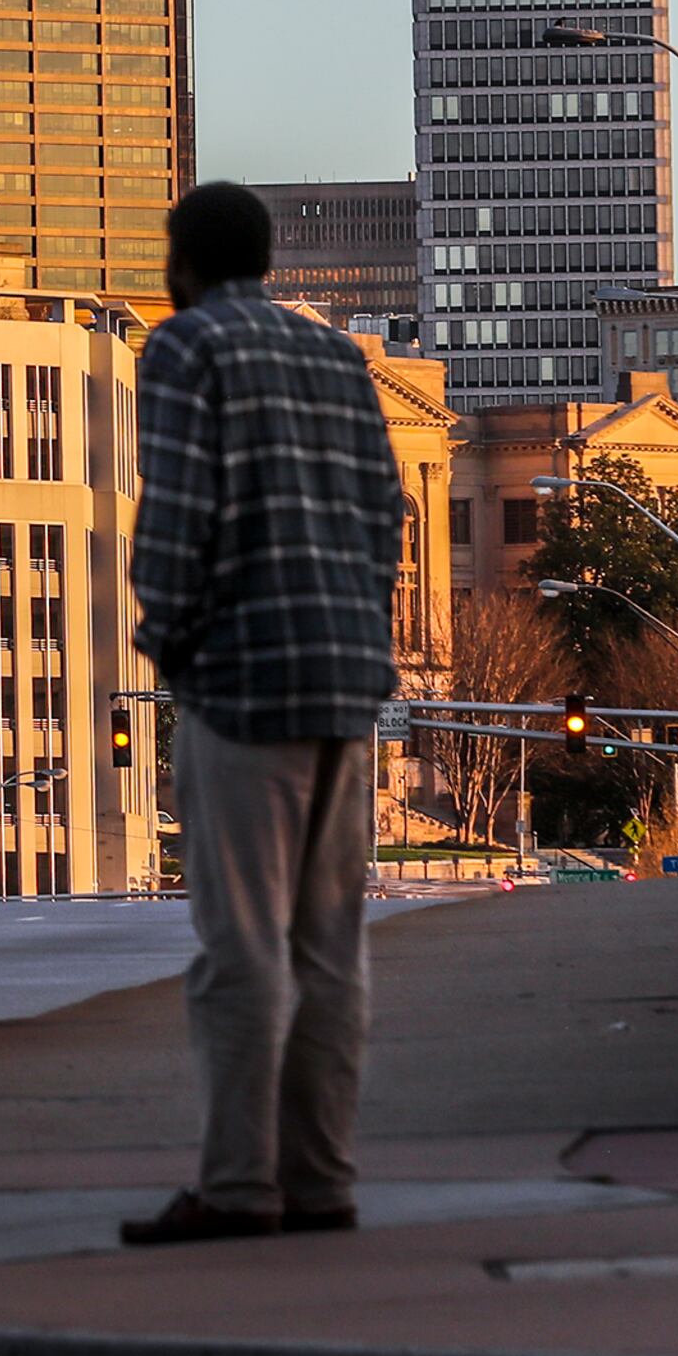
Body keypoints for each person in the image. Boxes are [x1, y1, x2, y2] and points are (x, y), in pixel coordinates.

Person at [120, 181, 405, 1247]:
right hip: (345, 679)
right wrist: (361, 635)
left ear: (183, 263)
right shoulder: (336, 357)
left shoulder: (186, 348)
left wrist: (171, 637)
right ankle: (321, 1179)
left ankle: (239, 1187)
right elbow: (387, 513)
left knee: (239, 947)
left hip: (244, 678)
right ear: (267, 258)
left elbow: (176, 516)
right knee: (331, 945)